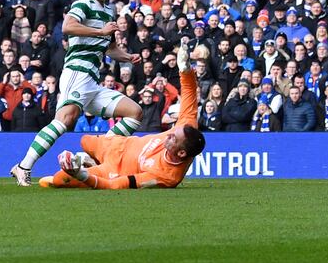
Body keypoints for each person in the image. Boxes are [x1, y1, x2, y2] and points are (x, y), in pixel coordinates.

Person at [11, 0, 142, 186]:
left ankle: (96, 154)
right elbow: (68, 27)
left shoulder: (108, 11)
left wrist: (127, 57)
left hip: (92, 79)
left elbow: (109, 48)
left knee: (134, 113)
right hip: (77, 72)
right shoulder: (82, 4)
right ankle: (24, 166)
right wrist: (100, 31)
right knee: (65, 120)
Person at [40, 43, 205, 189]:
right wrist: (185, 69)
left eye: (173, 139)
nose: (168, 135)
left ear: (182, 153)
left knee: (59, 179)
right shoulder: (186, 128)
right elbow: (190, 94)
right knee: (84, 141)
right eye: (172, 132)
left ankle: (86, 166)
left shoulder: (165, 176)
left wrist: (80, 175)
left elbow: (115, 185)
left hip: (113, 169)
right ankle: (90, 160)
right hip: (117, 142)